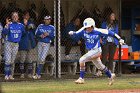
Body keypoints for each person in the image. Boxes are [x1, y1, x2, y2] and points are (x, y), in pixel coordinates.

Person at [69, 18, 124, 85]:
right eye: (86, 27)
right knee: (100, 67)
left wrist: (119, 39)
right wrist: (72, 33)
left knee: (81, 60)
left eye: (89, 27)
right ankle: (110, 75)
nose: (87, 29)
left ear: (93, 26)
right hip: (91, 51)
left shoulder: (98, 31)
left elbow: (111, 33)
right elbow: (76, 33)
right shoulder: (83, 30)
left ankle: (81, 78)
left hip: (97, 50)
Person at [2, 12, 25, 80]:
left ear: (18, 17)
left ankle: (10, 75)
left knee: (12, 61)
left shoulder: (21, 25)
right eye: (14, 16)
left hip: (16, 44)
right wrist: (7, 26)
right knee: (8, 61)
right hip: (9, 43)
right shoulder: (9, 24)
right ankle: (6, 75)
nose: (15, 17)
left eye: (16, 16)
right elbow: (4, 33)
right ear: (12, 17)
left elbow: (24, 33)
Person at [19, 11, 36, 78]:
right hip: (23, 43)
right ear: (23, 16)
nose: (27, 17)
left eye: (28, 15)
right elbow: (22, 33)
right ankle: (22, 74)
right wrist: (26, 26)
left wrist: (32, 27)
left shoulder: (31, 23)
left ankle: (29, 73)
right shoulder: (20, 24)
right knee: (22, 59)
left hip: (30, 43)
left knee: (30, 60)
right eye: (26, 15)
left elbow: (34, 31)